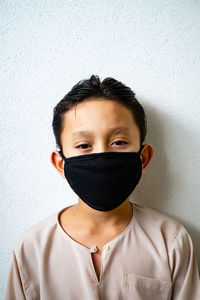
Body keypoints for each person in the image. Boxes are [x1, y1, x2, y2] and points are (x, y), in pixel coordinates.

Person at [5, 75, 200, 300]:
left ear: (143, 158)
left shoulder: (170, 241)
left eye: (118, 142)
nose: (101, 156)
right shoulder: (32, 249)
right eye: (84, 145)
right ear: (61, 164)